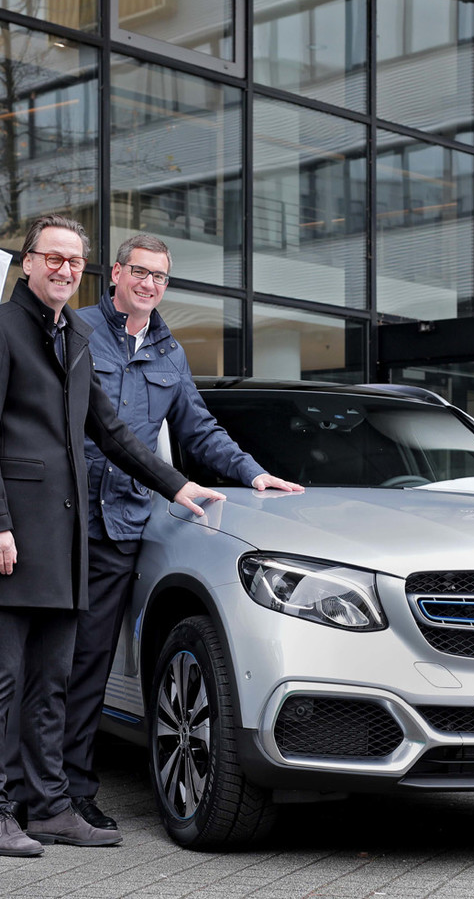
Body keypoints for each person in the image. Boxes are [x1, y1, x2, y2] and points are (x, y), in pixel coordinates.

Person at [0, 214, 225, 857]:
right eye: (52, 257)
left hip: (68, 540)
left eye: (74, 261)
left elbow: (110, 430)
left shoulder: (75, 334)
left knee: (53, 683)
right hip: (11, 539)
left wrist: (176, 485)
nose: (64, 269)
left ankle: (49, 807)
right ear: (29, 262)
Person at [61, 233, 302, 834]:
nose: (150, 284)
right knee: (45, 657)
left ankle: (72, 793)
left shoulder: (169, 352)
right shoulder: (76, 330)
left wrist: (252, 472)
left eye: (160, 277)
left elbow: (199, 428)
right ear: (116, 273)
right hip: (62, 517)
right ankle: (28, 786)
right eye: (140, 272)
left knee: (89, 663)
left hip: (120, 526)